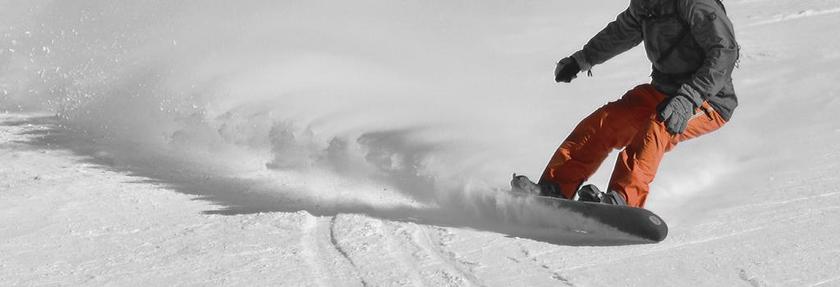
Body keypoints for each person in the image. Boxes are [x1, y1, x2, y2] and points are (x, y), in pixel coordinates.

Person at [511, 0, 739, 207]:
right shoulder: (646, 4)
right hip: (663, 91)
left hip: (707, 100)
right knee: (607, 121)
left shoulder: (696, 4)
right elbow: (620, 33)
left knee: (658, 125)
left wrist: (690, 97)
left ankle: (622, 200)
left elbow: (725, 51)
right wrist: (582, 59)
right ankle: (555, 189)